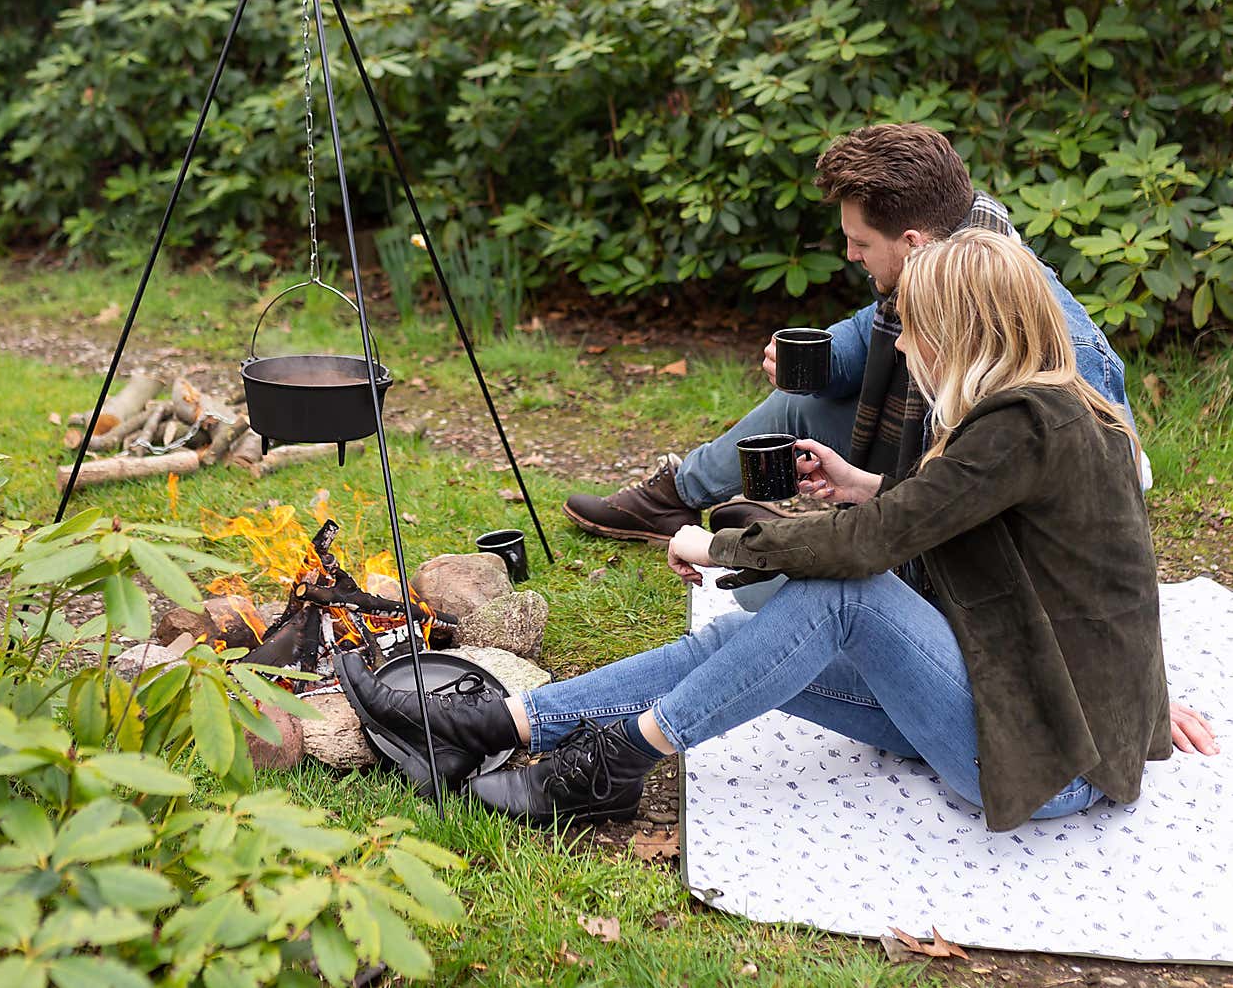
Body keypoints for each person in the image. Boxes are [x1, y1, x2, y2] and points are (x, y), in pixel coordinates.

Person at [339, 231, 1218, 833]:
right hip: (1018, 696)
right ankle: (506, 720)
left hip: (1045, 760)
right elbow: (1001, 539)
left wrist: (714, 544)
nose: (905, 346)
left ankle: (617, 760)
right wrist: (865, 483)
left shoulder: (1022, 424)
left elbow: (867, 547)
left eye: (915, 327)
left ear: (963, 329)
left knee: (847, 599)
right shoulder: (1055, 411)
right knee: (747, 640)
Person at [562, 122, 1139, 545]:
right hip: (934, 490)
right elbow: (869, 337)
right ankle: (675, 499)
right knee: (800, 402)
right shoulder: (947, 260)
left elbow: (1107, 500)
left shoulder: (1049, 337)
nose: (849, 254)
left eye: (861, 244)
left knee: (769, 591)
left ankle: (797, 533)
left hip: (990, 536)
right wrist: (817, 360)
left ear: (913, 243)